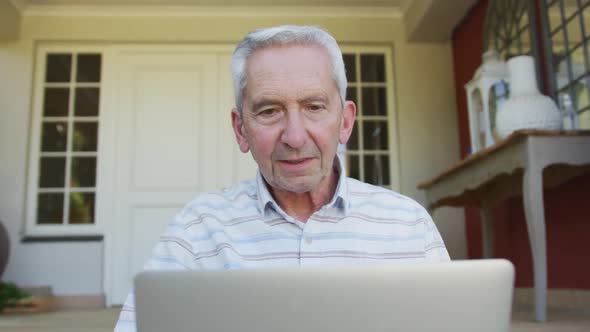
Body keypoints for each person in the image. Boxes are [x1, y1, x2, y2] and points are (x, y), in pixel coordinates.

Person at [113, 25, 450, 332]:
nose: (294, 136)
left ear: (345, 122)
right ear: (240, 129)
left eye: (314, 107)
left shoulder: (408, 224)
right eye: (269, 111)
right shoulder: (197, 228)